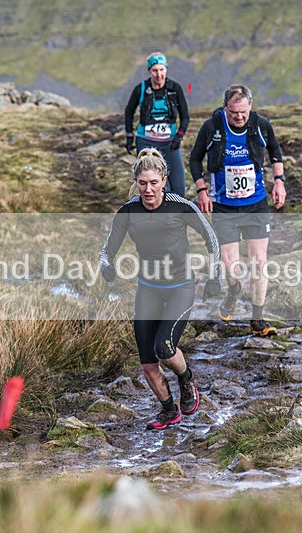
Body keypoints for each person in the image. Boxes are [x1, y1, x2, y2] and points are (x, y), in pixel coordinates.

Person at [100, 148, 221, 430]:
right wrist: (107, 266)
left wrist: (214, 277)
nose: (148, 189)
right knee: (147, 363)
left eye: (154, 183)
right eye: (142, 183)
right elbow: (107, 250)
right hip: (148, 289)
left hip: (180, 286)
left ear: (164, 180)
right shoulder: (128, 211)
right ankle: (169, 411)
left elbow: (211, 238)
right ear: (136, 182)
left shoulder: (181, 206)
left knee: (164, 348)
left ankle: (186, 378)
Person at [188, 84, 286, 337]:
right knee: (230, 266)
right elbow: (195, 158)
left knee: (258, 262)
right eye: (233, 113)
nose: (239, 117)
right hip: (224, 207)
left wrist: (279, 181)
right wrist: (201, 190)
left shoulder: (261, 125)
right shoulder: (212, 127)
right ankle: (233, 290)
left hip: (255, 204)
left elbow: (275, 152)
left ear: (250, 106)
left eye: (243, 112)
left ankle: (257, 319)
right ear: (225, 108)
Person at [124, 52, 190, 197]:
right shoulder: (141, 89)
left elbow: (185, 116)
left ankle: (176, 218)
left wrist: (179, 136)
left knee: (178, 189)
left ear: (166, 69)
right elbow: (129, 112)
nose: (158, 74)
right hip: (146, 142)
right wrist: (129, 136)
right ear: (149, 71)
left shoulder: (175, 88)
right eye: (154, 70)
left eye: (161, 70)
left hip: (170, 143)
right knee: (157, 187)